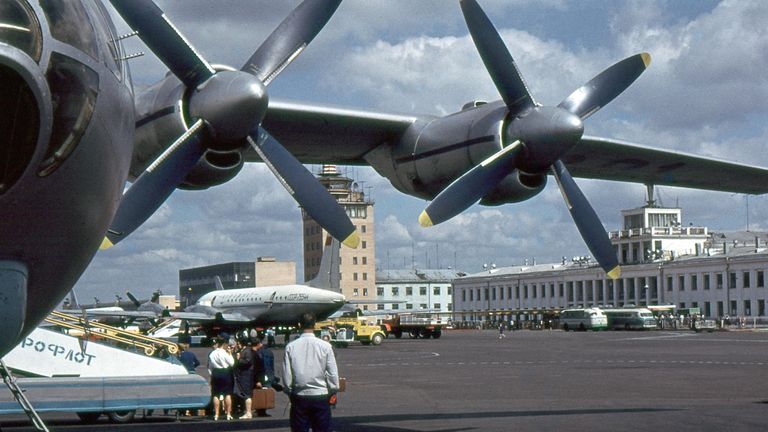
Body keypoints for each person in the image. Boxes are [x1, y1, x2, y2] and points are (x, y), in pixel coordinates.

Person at [282, 313, 339, 432]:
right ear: (315, 324)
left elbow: (287, 375)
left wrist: (289, 391)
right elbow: (332, 373)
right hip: (321, 395)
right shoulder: (326, 346)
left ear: (299, 325)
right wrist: (333, 389)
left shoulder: (290, 347)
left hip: (300, 396)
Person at [208, 337, 235, 421]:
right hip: (225, 372)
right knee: (227, 394)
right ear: (224, 344)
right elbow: (232, 363)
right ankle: (228, 413)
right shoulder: (224, 353)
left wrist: (212, 374)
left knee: (215, 394)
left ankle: (216, 414)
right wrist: (230, 354)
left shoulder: (212, 353)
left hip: (215, 372)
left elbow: (210, 367)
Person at [233, 336, 255, 419]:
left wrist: (239, 359)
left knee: (246, 394)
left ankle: (248, 412)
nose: (237, 345)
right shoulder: (242, 350)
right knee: (243, 393)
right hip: (241, 375)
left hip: (246, 375)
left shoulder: (247, 351)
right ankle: (246, 411)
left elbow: (248, 361)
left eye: (238, 343)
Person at [253, 338, 276, 417]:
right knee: (265, 391)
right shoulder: (269, 352)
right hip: (268, 374)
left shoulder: (258, 352)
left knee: (259, 391)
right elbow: (271, 365)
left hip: (261, 374)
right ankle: (263, 409)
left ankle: (260, 409)